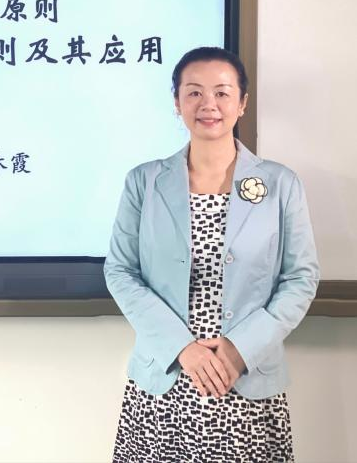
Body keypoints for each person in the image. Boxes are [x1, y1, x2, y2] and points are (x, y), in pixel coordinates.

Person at [104, 46, 319, 463]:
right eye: (194, 92)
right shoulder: (144, 182)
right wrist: (182, 348)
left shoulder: (280, 184)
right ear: (177, 102)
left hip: (245, 374)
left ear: (242, 102)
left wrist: (241, 349)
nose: (209, 104)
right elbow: (121, 271)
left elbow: (301, 277)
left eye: (222, 92)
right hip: (167, 372)